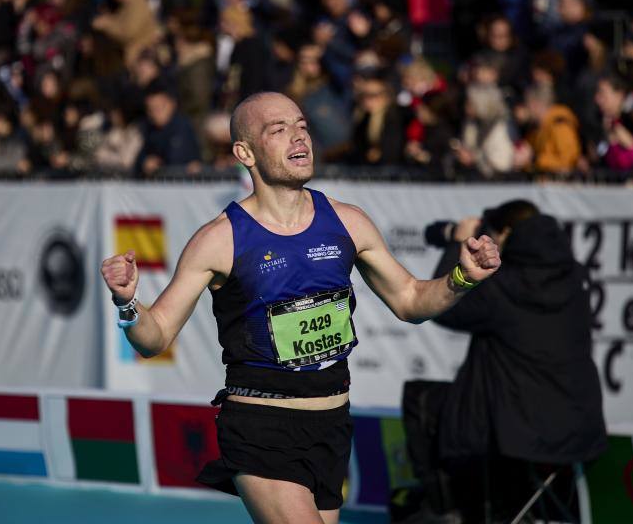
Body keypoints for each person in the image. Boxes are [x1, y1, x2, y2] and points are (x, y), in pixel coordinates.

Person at [100, 92, 501, 524]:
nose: (299, 137)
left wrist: (461, 279)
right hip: (260, 426)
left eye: (302, 126)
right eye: (279, 130)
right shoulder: (219, 239)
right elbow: (154, 337)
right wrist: (128, 304)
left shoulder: (348, 221)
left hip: (331, 425)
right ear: (244, 152)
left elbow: (410, 300)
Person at [401, 200, 607, 522]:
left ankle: (446, 511)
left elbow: (442, 306)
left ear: (508, 234)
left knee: (421, 399)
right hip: (577, 428)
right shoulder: (575, 281)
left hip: (519, 433)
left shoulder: (504, 287)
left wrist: (459, 241)